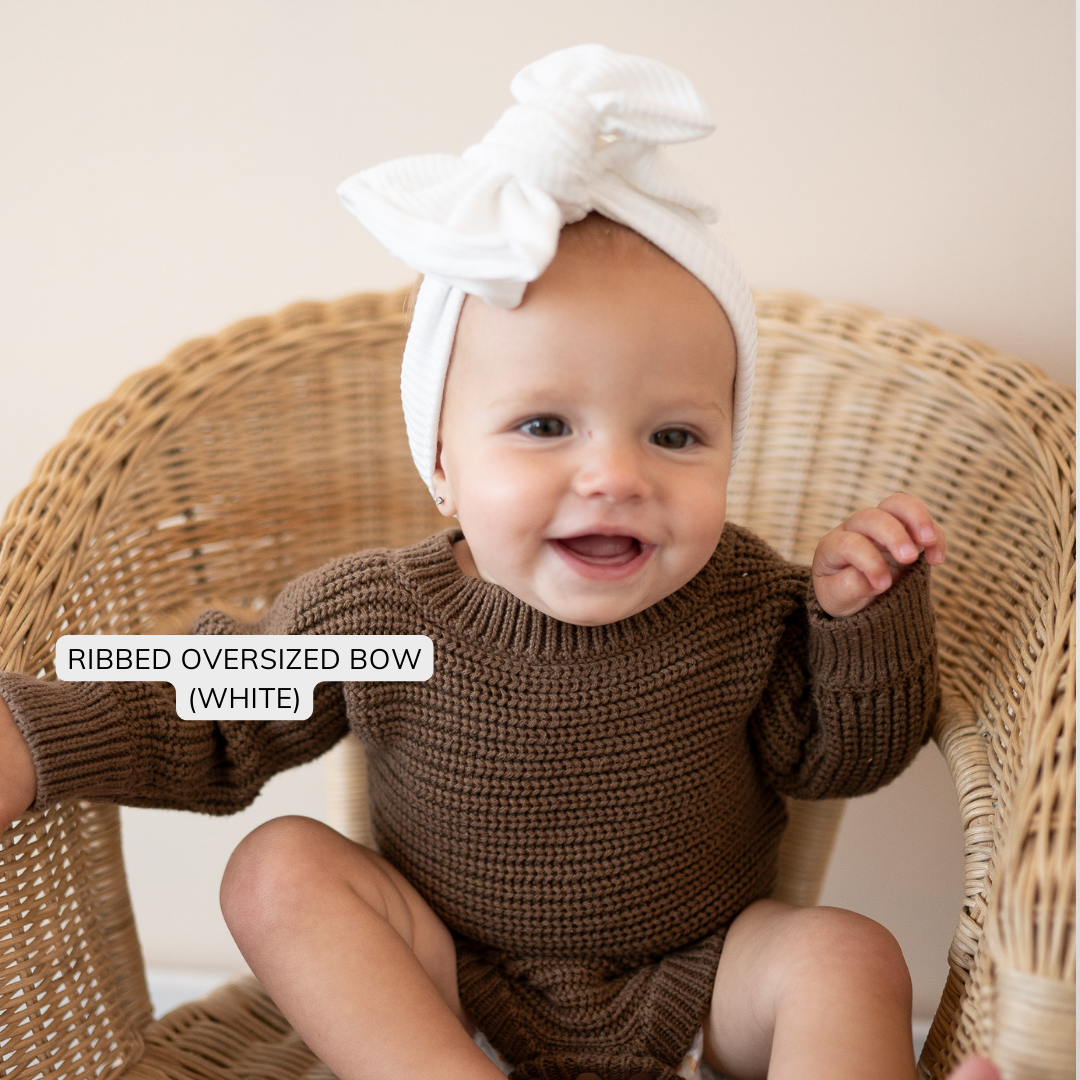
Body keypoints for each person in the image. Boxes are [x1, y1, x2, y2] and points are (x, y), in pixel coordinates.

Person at [0, 45, 1001, 1080]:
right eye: (543, 424)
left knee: (846, 951)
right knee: (276, 870)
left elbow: (850, 757)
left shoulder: (747, 603)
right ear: (443, 464)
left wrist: (858, 619)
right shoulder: (384, 623)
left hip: (700, 981)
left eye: (675, 437)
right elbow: (209, 709)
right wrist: (37, 739)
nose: (614, 474)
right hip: (443, 988)